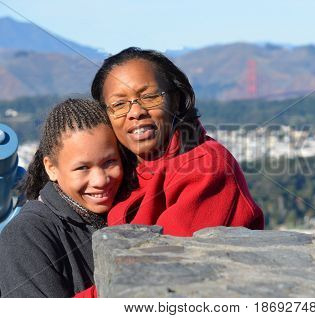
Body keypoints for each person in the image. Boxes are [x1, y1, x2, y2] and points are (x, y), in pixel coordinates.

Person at [91, 47, 264, 236]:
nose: (136, 112)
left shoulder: (206, 166)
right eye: (118, 104)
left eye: (149, 97)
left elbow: (171, 257)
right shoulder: (114, 169)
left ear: (175, 100)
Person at [0, 99, 136, 297]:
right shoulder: (26, 236)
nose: (100, 180)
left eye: (109, 162)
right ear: (51, 168)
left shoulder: (129, 207)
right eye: (83, 168)